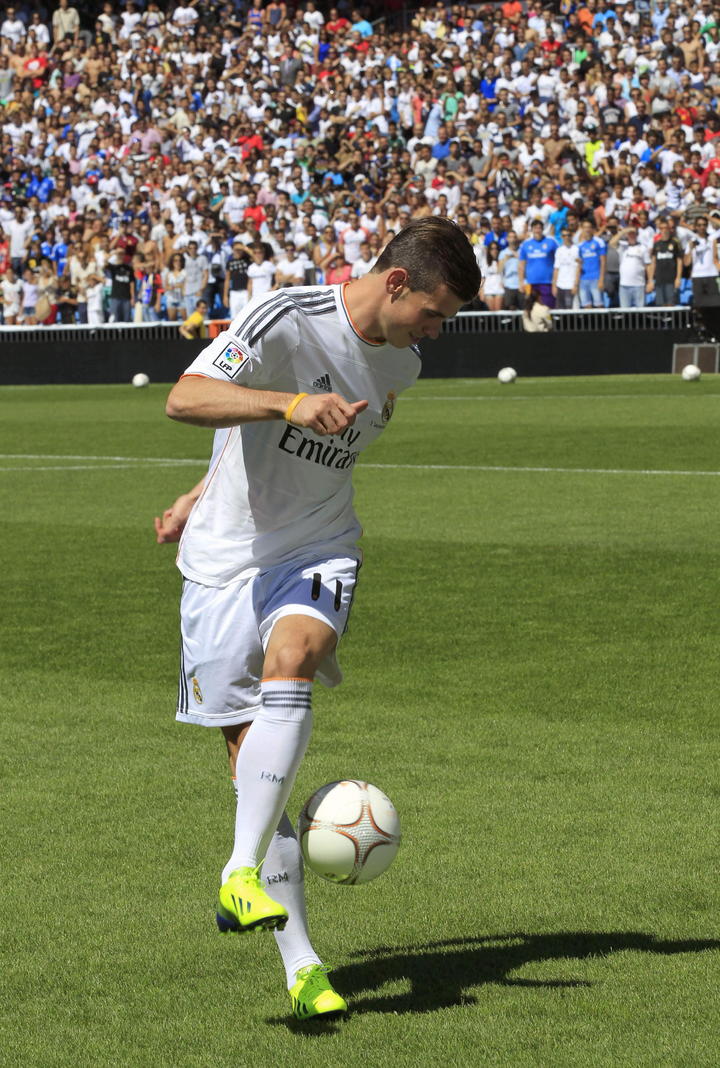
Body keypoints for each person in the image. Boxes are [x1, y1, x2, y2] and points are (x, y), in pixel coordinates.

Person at [157, 218, 481, 1022]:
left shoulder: (403, 364)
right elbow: (185, 397)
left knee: (294, 660)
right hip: (224, 563)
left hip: (319, 546)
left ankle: (236, 874)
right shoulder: (287, 316)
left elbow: (308, 459)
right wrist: (286, 407)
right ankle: (302, 965)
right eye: (435, 313)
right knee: (255, 777)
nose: (438, 333)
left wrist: (271, 434)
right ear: (397, 283)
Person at [552, 228, 581, 310]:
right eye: (564, 235)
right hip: (560, 285)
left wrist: (576, 284)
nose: (566, 237)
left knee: (572, 310)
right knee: (560, 310)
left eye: (568, 235)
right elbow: (556, 269)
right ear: (561, 237)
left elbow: (578, 268)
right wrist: (554, 285)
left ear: (571, 236)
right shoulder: (559, 250)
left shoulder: (576, 249)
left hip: (571, 285)